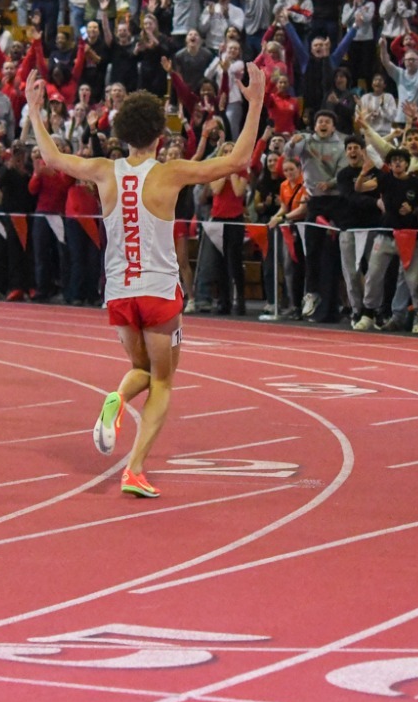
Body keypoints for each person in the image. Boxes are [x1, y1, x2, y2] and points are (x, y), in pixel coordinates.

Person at [22, 62, 268, 499]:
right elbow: (238, 159)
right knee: (163, 381)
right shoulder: (171, 172)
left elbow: (53, 158)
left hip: (118, 292)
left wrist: (34, 111)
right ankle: (134, 467)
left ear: (121, 134)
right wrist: (254, 105)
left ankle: (116, 398)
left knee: (139, 370)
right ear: (161, 136)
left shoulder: (103, 170)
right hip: (159, 294)